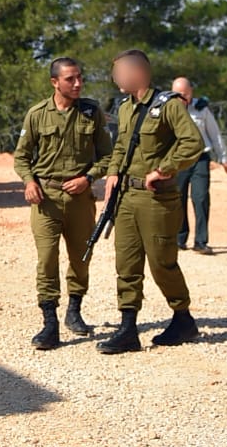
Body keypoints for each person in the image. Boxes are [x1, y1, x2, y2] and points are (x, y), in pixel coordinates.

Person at [98, 49, 206, 355]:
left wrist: (164, 169)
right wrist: (112, 175)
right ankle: (128, 328)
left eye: (119, 72)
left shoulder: (168, 106)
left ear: (138, 73)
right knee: (127, 263)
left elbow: (193, 143)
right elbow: (121, 145)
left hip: (157, 199)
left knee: (162, 262)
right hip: (127, 197)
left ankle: (183, 318)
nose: (115, 78)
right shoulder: (124, 108)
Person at [13, 57, 113, 349]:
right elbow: (21, 157)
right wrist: (29, 181)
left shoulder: (91, 112)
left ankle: (74, 310)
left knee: (81, 257)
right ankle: (49, 322)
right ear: (55, 82)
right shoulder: (37, 114)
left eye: (80, 78)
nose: (78, 83)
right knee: (46, 259)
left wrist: (89, 177)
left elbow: (107, 156)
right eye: (71, 79)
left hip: (80, 198)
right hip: (46, 198)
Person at [172, 76, 227, 254]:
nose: (182, 97)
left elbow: (215, 133)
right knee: (177, 198)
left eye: (185, 94)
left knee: (201, 198)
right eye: (178, 94)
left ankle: (201, 242)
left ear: (191, 92)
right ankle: (179, 239)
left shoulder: (201, 109)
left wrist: (224, 157)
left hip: (200, 158)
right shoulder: (168, 108)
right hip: (178, 159)